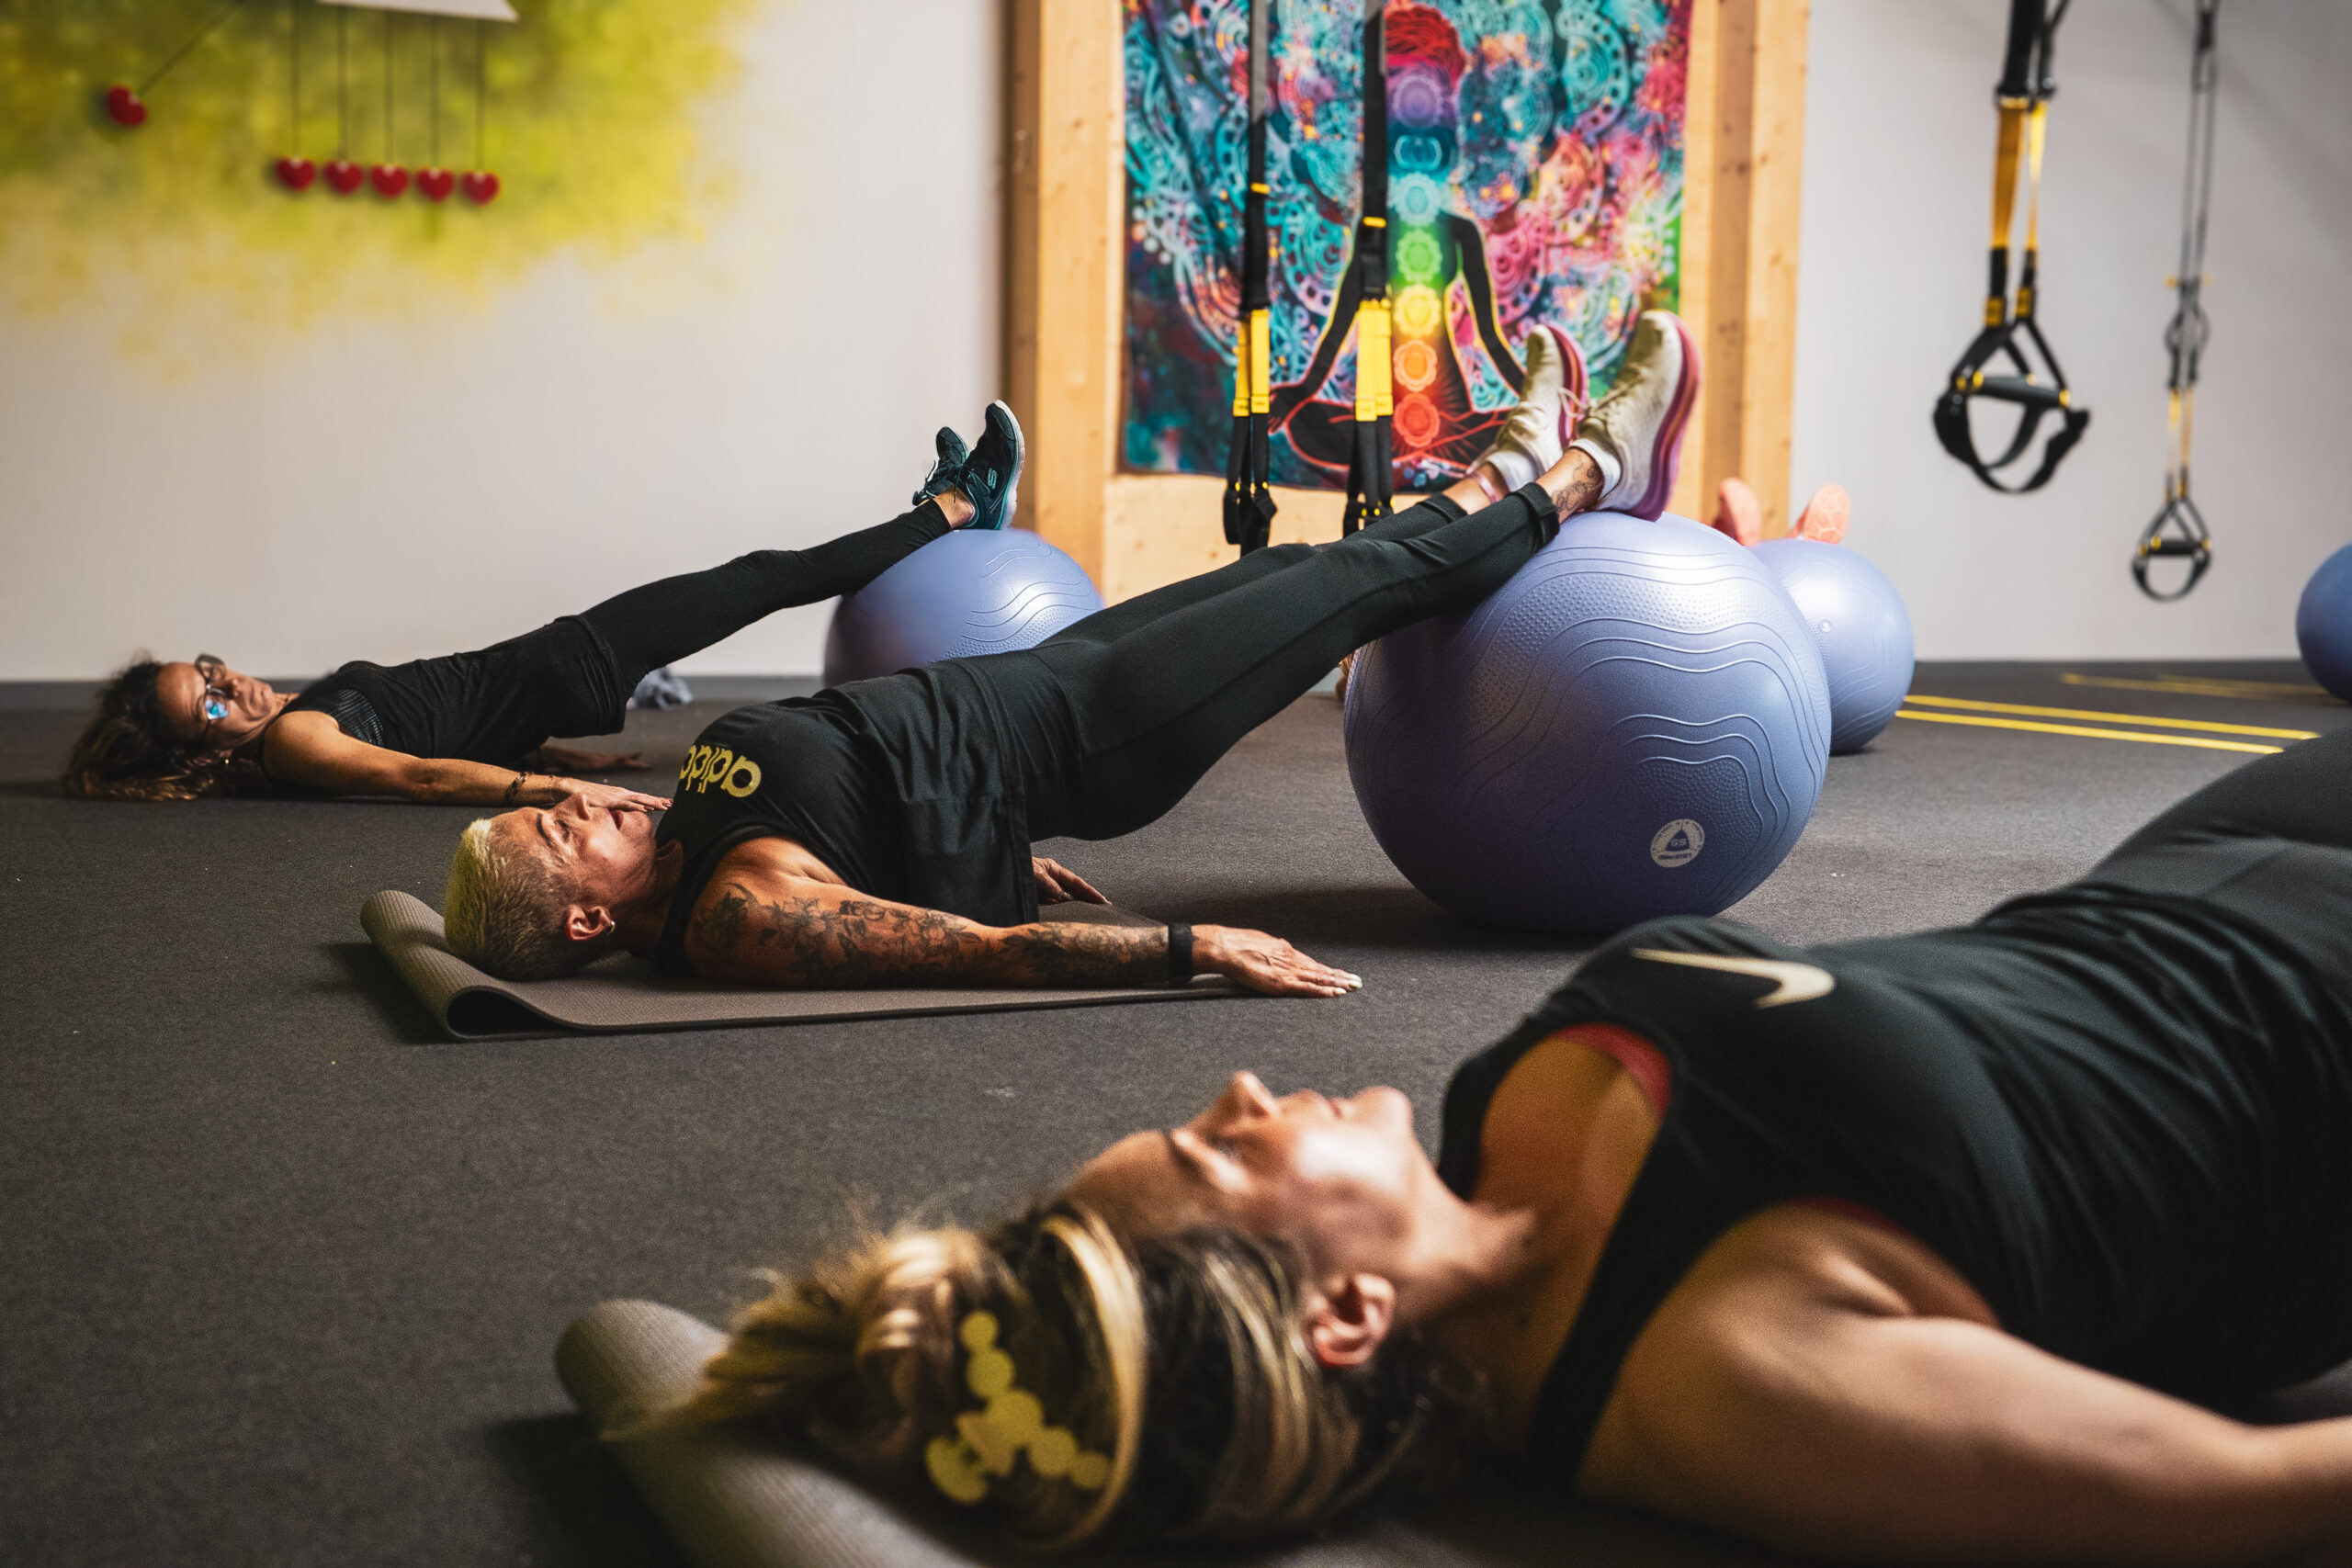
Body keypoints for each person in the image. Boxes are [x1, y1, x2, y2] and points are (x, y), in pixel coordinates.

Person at [658, 719, 2352, 1561]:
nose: (1239, 1096)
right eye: (1223, 1157)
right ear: (1340, 1322)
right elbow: (2270, 1497)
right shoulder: (1730, 1380)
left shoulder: (1490, 1126)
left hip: (2187, 869)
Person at [441, 312, 1702, 995]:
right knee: (1350, 584)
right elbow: (971, 956)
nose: (581, 801)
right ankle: (1586, 470)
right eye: (564, 834)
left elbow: (867, 823)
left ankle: (1516, 468)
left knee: (1290, 574)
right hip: (1099, 732)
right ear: (596, 913)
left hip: (1049, 683)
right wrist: (1186, 945)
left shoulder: (681, 835)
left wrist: (981, 852)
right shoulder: (734, 916)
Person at [58, 407, 1027, 806]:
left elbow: (449, 712)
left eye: (212, 670)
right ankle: (958, 504)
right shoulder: (298, 744)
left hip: (557, 666)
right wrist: (551, 792)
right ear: (197, 753)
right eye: (210, 706)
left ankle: (944, 508)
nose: (233, 688)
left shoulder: (287, 729)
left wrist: (562, 753)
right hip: (574, 661)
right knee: (773, 575)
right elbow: (423, 777)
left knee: (765, 574)